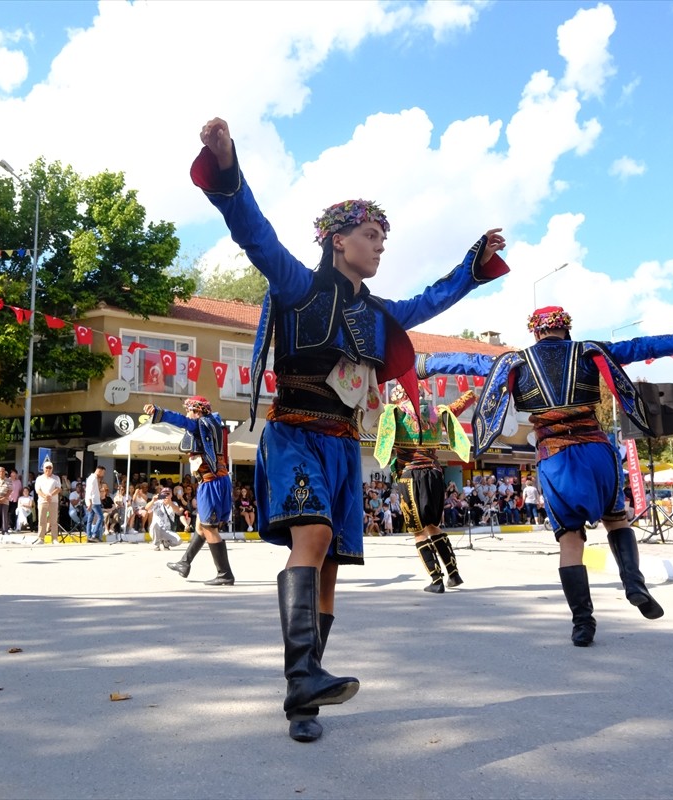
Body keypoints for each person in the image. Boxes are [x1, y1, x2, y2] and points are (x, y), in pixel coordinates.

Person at [191, 116, 509, 742]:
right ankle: (304, 678)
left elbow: (435, 299)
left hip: (343, 445)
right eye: (371, 235)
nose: (380, 245)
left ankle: (302, 696)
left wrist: (472, 265)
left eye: (383, 238)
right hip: (296, 434)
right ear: (339, 240)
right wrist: (227, 166)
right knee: (311, 537)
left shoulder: (379, 314)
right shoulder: (297, 285)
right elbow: (252, 231)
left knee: (332, 563)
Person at [425, 306, 673, 646]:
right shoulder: (590, 350)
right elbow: (640, 347)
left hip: (557, 458)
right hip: (596, 452)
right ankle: (634, 584)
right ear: (567, 329)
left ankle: (583, 623)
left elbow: (464, 362)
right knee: (617, 521)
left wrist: (421, 364)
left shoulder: (514, 361)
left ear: (535, 333)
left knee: (570, 541)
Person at [375, 382, 479, 592]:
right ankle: (453, 574)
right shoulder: (436, 413)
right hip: (435, 474)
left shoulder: (395, 412)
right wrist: (471, 395)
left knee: (418, 530)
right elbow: (458, 406)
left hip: (411, 475)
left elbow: (372, 406)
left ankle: (436, 580)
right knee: (433, 525)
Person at [144, 396, 236, 586]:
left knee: (209, 528)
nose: (187, 413)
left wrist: (159, 412)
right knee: (201, 527)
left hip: (211, 482)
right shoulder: (214, 424)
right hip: (217, 481)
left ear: (198, 411)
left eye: (189, 410)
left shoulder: (201, 423)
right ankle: (184, 563)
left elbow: (181, 420)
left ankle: (225, 574)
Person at [34, 461, 62, 543]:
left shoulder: (56, 478)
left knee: (53, 521)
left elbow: (58, 488)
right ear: (43, 469)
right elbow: (38, 490)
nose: (48, 469)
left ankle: (54, 539)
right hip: (43, 501)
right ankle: (41, 538)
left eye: (50, 468)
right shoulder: (39, 478)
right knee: (42, 520)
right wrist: (45, 496)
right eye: (47, 467)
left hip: (53, 501)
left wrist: (50, 495)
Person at [84, 464, 106, 543]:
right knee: (101, 517)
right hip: (93, 501)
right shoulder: (92, 479)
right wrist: (89, 502)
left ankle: (89, 536)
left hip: (94, 500)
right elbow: (89, 490)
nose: (103, 475)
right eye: (103, 473)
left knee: (90, 519)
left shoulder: (94, 478)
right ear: (99, 471)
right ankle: (94, 535)